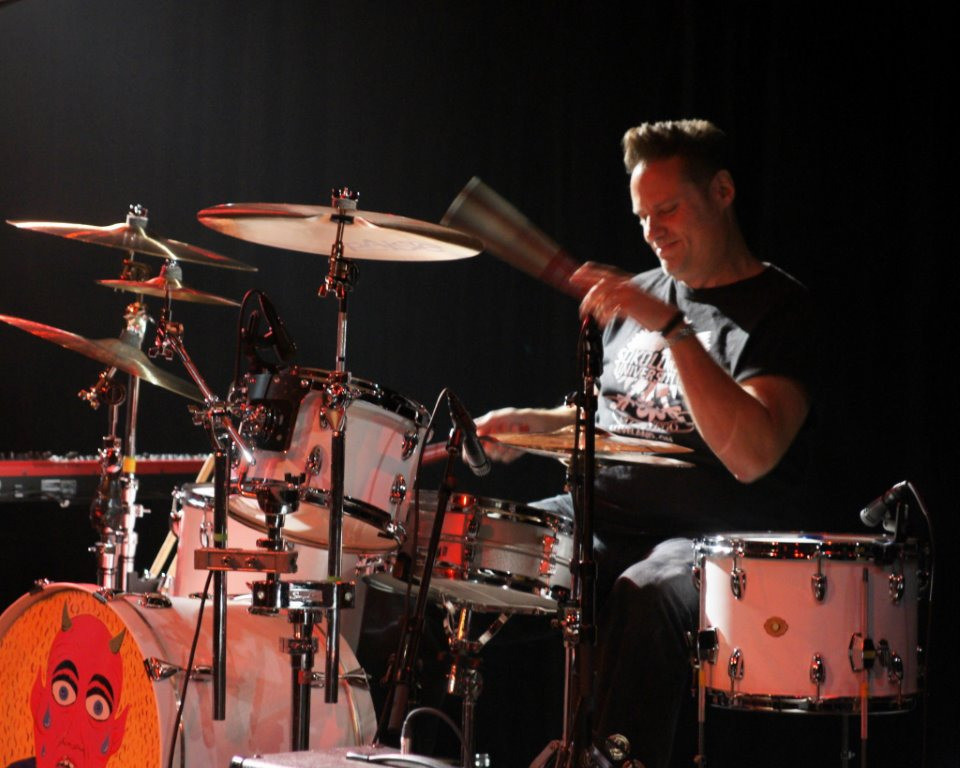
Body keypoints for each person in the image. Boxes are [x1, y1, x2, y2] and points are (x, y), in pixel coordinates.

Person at [475, 119, 817, 768]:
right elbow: (613, 418)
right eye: (641, 216)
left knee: (647, 591)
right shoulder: (642, 297)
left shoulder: (780, 310)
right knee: (467, 541)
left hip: (708, 539)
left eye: (668, 209)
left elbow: (753, 453)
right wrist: (532, 424)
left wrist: (672, 326)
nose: (652, 231)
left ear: (722, 191)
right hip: (600, 516)